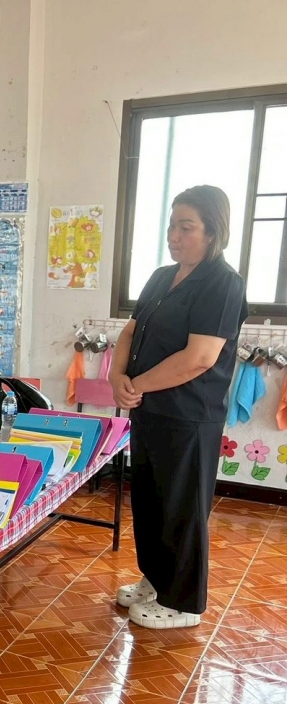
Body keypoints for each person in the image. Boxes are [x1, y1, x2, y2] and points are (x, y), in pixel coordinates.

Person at [109, 185, 247, 629]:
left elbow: (200, 357)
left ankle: (184, 603)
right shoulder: (160, 277)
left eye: (186, 227)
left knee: (182, 508)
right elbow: (130, 331)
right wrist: (116, 376)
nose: (174, 235)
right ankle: (156, 579)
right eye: (172, 225)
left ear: (213, 232)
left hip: (189, 415)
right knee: (150, 502)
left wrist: (136, 385)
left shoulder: (223, 283)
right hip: (148, 409)